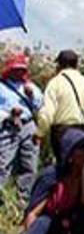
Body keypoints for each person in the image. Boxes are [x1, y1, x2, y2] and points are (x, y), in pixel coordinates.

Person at [0, 53, 42, 203]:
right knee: (3, 164)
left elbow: (39, 105)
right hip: (8, 128)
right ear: (10, 70)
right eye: (16, 69)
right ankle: (2, 201)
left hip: (28, 126)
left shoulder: (29, 87)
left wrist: (31, 96)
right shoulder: (1, 87)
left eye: (22, 69)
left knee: (29, 164)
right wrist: (9, 115)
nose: (20, 72)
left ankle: (23, 200)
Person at [38, 50, 84, 155]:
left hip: (63, 133)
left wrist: (40, 133)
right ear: (76, 64)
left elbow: (47, 113)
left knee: (65, 167)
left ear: (60, 65)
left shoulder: (55, 83)